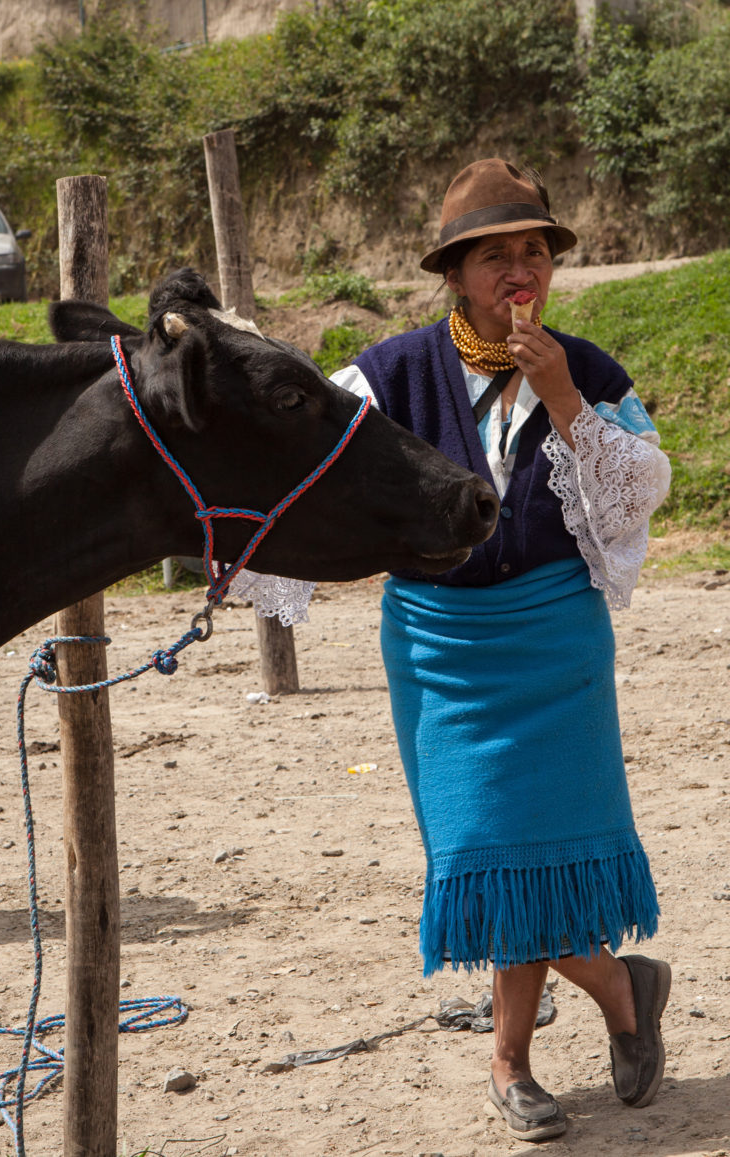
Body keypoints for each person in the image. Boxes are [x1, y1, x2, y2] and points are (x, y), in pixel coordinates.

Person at [234, 157, 672, 1142]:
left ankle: (509, 1065)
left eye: (533, 251)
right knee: (484, 855)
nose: (518, 270)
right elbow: (299, 467)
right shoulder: (386, 375)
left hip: (556, 645)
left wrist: (561, 394)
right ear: (454, 273)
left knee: (538, 859)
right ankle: (621, 986)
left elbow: (640, 486)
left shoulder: (589, 370)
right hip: (441, 650)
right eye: (493, 256)